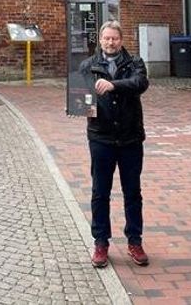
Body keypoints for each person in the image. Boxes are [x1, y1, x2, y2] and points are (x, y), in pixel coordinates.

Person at [77, 20, 150, 269]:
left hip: (130, 138)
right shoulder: (88, 66)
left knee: (132, 193)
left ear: (121, 40)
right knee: (100, 193)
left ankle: (135, 241)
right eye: (106, 38)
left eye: (115, 39)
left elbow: (140, 84)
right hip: (101, 138)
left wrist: (113, 85)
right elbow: (81, 100)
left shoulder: (134, 64)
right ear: (100, 40)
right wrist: (78, 104)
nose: (110, 42)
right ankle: (100, 242)